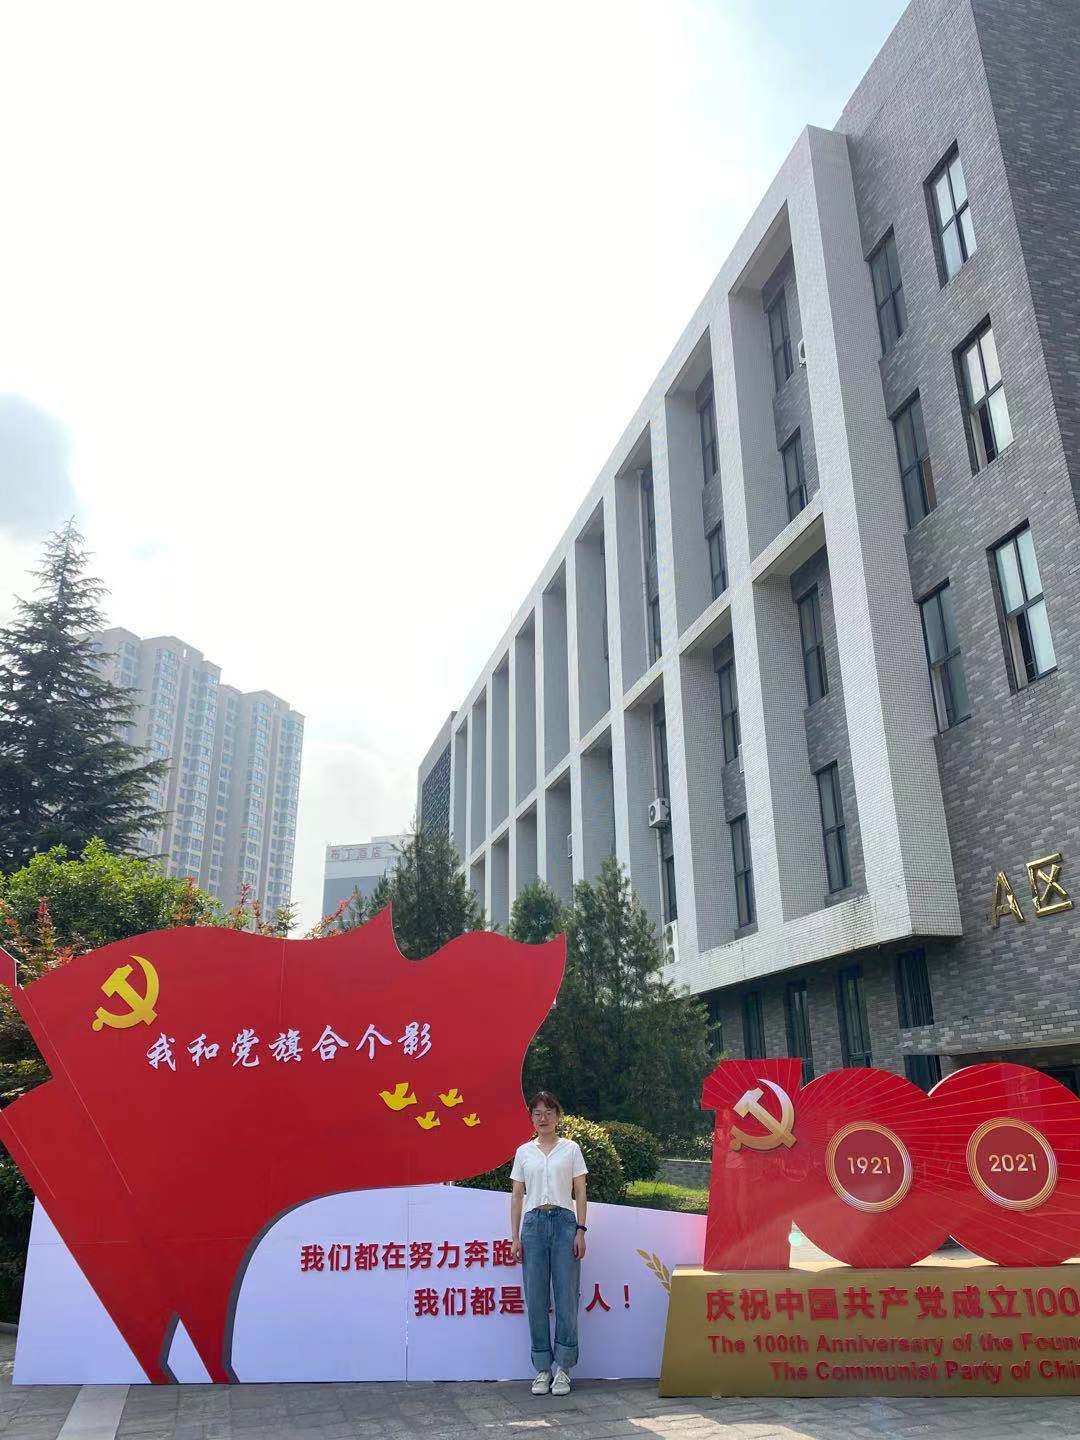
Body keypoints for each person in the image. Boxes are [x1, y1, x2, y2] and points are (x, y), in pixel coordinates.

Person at [509, 1091, 588, 1396]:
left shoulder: (571, 1149)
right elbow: (517, 1196)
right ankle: (542, 1368)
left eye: (549, 1112)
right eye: (537, 1113)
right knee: (536, 1298)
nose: (543, 1118)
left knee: (566, 1296)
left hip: (565, 1223)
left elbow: (580, 1191)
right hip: (533, 1225)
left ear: (558, 1116)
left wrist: (580, 1230)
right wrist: (515, 1236)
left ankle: (564, 1368)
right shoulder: (524, 1152)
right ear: (531, 1118)